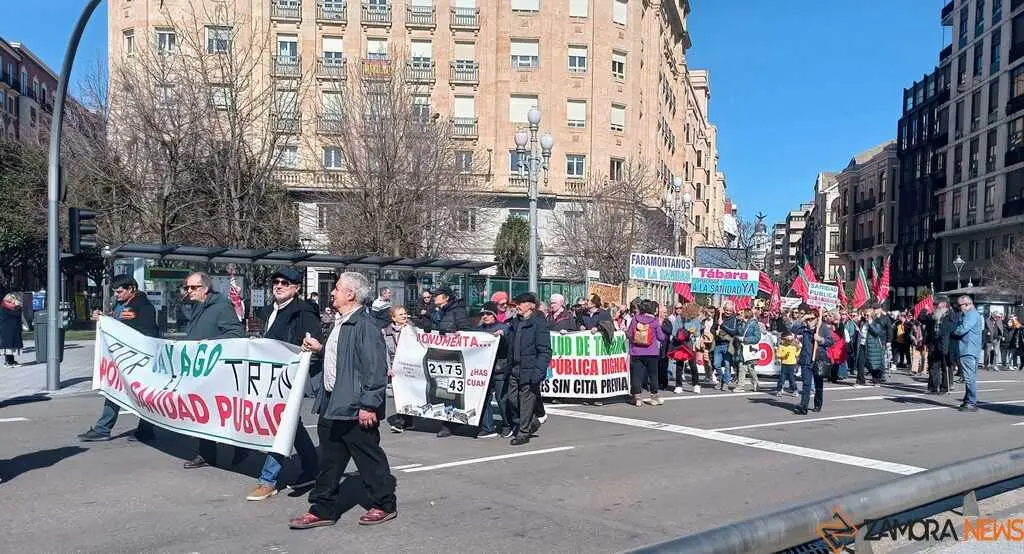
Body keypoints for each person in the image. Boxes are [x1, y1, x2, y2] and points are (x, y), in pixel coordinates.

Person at [289, 272, 397, 530]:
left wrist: (369, 405)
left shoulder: (364, 325)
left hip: (355, 406)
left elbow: (374, 367)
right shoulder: (342, 321)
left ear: (350, 294)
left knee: (369, 459)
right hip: (333, 403)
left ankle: (384, 504)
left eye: (337, 288)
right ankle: (322, 509)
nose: (332, 292)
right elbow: (342, 357)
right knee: (329, 461)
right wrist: (320, 349)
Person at [246, 268, 323, 501]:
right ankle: (312, 467)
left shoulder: (303, 311)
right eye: (276, 282)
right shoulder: (269, 310)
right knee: (290, 424)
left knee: (279, 424)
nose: (279, 286)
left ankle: (268, 480)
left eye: (285, 283)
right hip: (268, 376)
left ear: (296, 288)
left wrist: (300, 366)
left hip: (288, 378)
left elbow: (313, 344)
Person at [78, 275, 159, 442]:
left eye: (119, 291)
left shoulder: (143, 307)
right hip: (124, 357)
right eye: (115, 292)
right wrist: (105, 319)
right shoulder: (123, 304)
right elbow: (118, 322)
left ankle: (141, 429)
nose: (116, 295)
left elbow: (147, 333)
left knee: (138, 394)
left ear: (131, 289)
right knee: (115, 390)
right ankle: (109, 428)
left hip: (136, 359)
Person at [180, 271, 245, 470]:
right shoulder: (198, 306)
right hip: (201, 370)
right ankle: (207, 454)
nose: (189, 291)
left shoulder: (221, 307)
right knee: (203, 412)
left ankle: (242, 447)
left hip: (218, 370)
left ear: (205, 288)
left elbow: (236, 334)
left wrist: (210, 343)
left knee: (223, 413)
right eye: (187, 287)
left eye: (193, 287)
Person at [423, 286, 472, 438]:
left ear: (446, 298)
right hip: (440, 356)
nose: (434, 297)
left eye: (437, 295)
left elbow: (467, 331)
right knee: (441, 389)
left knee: (452, 391)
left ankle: (451, 424)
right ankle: (447, 421)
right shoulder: (437, 311)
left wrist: (460, 334)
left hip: (454, 357)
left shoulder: (458, 311)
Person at [505, 292, 552, 446]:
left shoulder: (538, 323)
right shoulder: (515, 323)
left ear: (530, 306)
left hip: (530, 369)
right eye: (517, 303)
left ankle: (523, 433)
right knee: (512, 399)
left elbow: (544, 351)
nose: (517, 306)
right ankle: (532, 422)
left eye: (521, 303)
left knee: (526, 402)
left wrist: (538, 372)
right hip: (515, 368)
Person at [477, 301, 510, 439]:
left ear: (494, 315)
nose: (485, 316)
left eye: (488, 314)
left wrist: (503, 335)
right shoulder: (478, 330)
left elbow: (509, 340)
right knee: (484, 398)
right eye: (483, 314)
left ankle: (508, 425)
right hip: (484, 370)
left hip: (499, 368)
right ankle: (487, 427)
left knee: (502, 399)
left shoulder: (503, 327)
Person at [626, 299, 667, 406]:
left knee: (636, 375)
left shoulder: (635, 319)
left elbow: (629, 334)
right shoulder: (654, 321)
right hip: (651, 352)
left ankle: (637, 398)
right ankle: (654, 397)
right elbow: (661, 337)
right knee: (653, 375)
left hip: (636, 351)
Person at [792, 311, 834, 415]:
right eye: (807, 319)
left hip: (818, 359)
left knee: (818, 384)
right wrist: (802, 319)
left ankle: (818, 404)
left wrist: (820, 339)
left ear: (816, 319)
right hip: (806, 359)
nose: (809, 321)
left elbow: (830, 341)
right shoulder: (805, 328)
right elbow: (793, 329)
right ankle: (804, 406)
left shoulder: (822, 327)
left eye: (811, 319)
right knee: (806, 384)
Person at [383, 305, 414, 433]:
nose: (404, 316)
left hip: (410, 366)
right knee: (400, 395)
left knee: (408, 394)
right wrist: (388, 368)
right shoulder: (385, 332)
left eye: (405, 313)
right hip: (395, 367)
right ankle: (404, 422)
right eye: (401, 314)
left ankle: (404, 422)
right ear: (393, 318)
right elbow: (385, 352)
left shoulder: (412, 330)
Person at [952, 295, 983, 412]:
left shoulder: (971, 314)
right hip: (971, 349)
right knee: (970, 377)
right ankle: (968, 400)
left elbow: (962, 329)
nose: (959, 308)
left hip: (968, 349)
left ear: (967, 304)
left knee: (969, 378)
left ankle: (971, 402)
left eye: (959, 305)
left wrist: (952, 331)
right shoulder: (972, 314)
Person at [732, 308, 763, 393]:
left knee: (750, 367)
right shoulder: (740, 323)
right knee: (741, 366)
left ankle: (755, 382)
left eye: (742, 313)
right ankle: (740, 385)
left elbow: (757, 337)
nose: (740, 314)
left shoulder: (754, 324)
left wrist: (745, 339)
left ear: (746, 314)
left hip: (750, 348)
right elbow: (736, 333)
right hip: (742, 348)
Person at [926, 300, 953, 395]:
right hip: (934, 344)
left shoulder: (951, 317)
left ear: (945, 308)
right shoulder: (935, 316)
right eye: (937, 307)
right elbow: (922, 318)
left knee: (945, 367)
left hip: (945, 345)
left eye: (939, 307)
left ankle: (945, 388)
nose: (937, 309)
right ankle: (933, 387)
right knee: (933, 366)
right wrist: (924, 310)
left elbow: (952, 331)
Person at [0, 293, 23, 368]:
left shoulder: (8, 306)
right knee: (9, 346)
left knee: (11, 346)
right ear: (9, 299)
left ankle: (10, 361)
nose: (15, 300)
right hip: (8, 330)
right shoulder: (5, 307)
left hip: (10, 329)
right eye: (14, 298)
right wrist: (18, 306)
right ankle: (9, 362)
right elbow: (17, 314)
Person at [775, 330, 800, 396]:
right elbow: (778, 354)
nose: (789, 341)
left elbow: (797, 354)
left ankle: (795, 390)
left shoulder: (794, 346)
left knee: (792, 378)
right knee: (782, 378)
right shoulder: (781, 346)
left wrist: (798, 348)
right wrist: (784, 355)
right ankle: (779, 390)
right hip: (784, 364)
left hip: (792, 364)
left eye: (790, 340)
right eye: (787, 340)